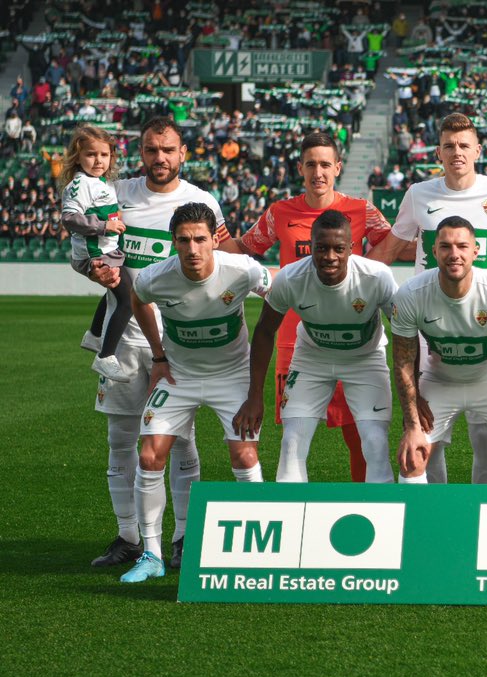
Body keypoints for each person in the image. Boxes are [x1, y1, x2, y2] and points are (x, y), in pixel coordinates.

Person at [87, 116, 230, 570]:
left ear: (183, 153)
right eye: (151, 150)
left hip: (181, 341)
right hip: (127, 338)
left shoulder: (202, 201)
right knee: (121, 439)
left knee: (181, 440)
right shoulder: (118, 195)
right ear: (141, 153)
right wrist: (96, 269)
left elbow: (220, 262)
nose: (160, 158)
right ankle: (129, 537)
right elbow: (93, 251)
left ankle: (183, 538)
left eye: (168, 150)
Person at [220, 132, 392, 484]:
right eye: (311, 164)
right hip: (297, 342)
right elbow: (246, 247)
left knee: (360, 436)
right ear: (300, 168)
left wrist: (368, 272)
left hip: (355, 335)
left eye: (326, 164)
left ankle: (366, 505)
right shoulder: (280, 212)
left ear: (338, 168)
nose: (319, 172)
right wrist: (211, 241)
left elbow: (395, 244)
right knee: (295, 437)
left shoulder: (362, 210)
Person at [120, 203, 270, 583]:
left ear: (214, 239)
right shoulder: (155, 277)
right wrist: (158, 356)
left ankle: (261, 548)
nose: (192, 249)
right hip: (179, 377)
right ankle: (151, 554)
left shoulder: (243, 269)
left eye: (200, 239)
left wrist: (259, 380)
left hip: (233, 375)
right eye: (183, 240)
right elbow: (138, 301)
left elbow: (277, 298)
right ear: (173, 242)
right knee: (150, 455)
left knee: (244, 455)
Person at [372, 113, 487, 483]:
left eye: (463, 146)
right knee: (428, 434)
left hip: (486, 324)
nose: (457, 152)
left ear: (478, 151)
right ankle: (435, 512)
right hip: (431, 326)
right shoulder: (419, 194)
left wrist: (486, 288)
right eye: (449, 146)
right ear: (438, 152)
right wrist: (360, 284)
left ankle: (481, 515)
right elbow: (390, 249)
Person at [233, 210, 398, 483]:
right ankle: (290, 519)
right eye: (321, 248)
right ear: (310, 246)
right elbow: (263, 331)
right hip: (311, 359)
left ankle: (384, 521)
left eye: (338, 248)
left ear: (351, 249)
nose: (329, 256)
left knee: (375, 443)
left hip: (365, 360)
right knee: (292, 444)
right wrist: (255, 395)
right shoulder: (290, 278)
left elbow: (405, 331)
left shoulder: (376, 277)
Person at [390, 217, 487, 485]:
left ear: (475, 251)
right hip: (440, 380)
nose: (454, 254)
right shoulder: (411, 293)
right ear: (434, 251)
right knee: (413, 456)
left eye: (462, 246)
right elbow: (403, 362)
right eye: (445, 246)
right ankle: (427, 522)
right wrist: (412, 426)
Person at [59, 125, 131, 382]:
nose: (98, 160)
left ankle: (93, 334)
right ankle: (105, 357)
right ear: (77, 156)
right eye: (91, 154)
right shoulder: (80, 184)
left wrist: (114, 218)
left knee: (115, 293)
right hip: (96, 256)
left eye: (104, 154)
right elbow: (69, 218)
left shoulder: (102, 183)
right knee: (128, 300)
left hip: (107, 251)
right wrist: (104, 226)